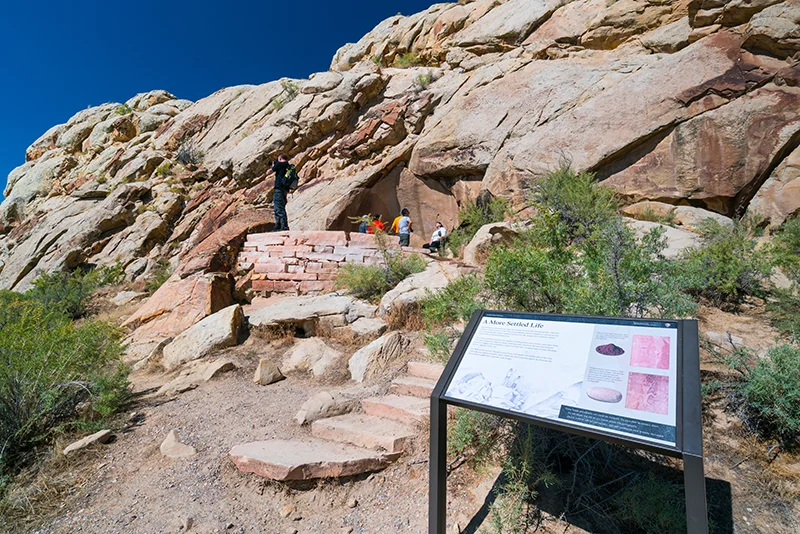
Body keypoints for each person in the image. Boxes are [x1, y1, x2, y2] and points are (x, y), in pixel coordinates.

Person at [267, 154, 291, 231]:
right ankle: (279, 226)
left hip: (279, 189)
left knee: (278, 208)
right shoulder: (288, 166)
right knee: (281, 207)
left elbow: (268, 172)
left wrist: (274, 165)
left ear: (280, 158)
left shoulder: (280, 164)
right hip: (285, 190)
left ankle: (283, 227)